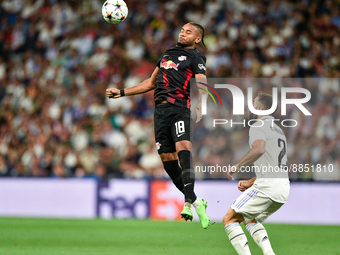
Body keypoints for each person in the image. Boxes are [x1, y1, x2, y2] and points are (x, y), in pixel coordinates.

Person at [106, 22, 210, 228]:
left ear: (197, 39)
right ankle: (199, 202)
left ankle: (188, 203)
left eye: (188, 32)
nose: (183, 32)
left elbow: (202, 81)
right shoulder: (167, 54)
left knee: (183, 150)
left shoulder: (196, 57)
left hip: (179, 109)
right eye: (182, 30)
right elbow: (150, 83)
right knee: (168, 163)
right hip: (160, 112)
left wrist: (202, 104)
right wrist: (122, 92)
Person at [223, 92, 290, 255]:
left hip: (267, 187)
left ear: (260, 107)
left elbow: (259, 149)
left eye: (253, 102)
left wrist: (237, 165)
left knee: (229, 219)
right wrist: (250, 182)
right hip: (283, 188)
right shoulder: (279, 131)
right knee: (250, 218)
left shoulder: (258, 125)